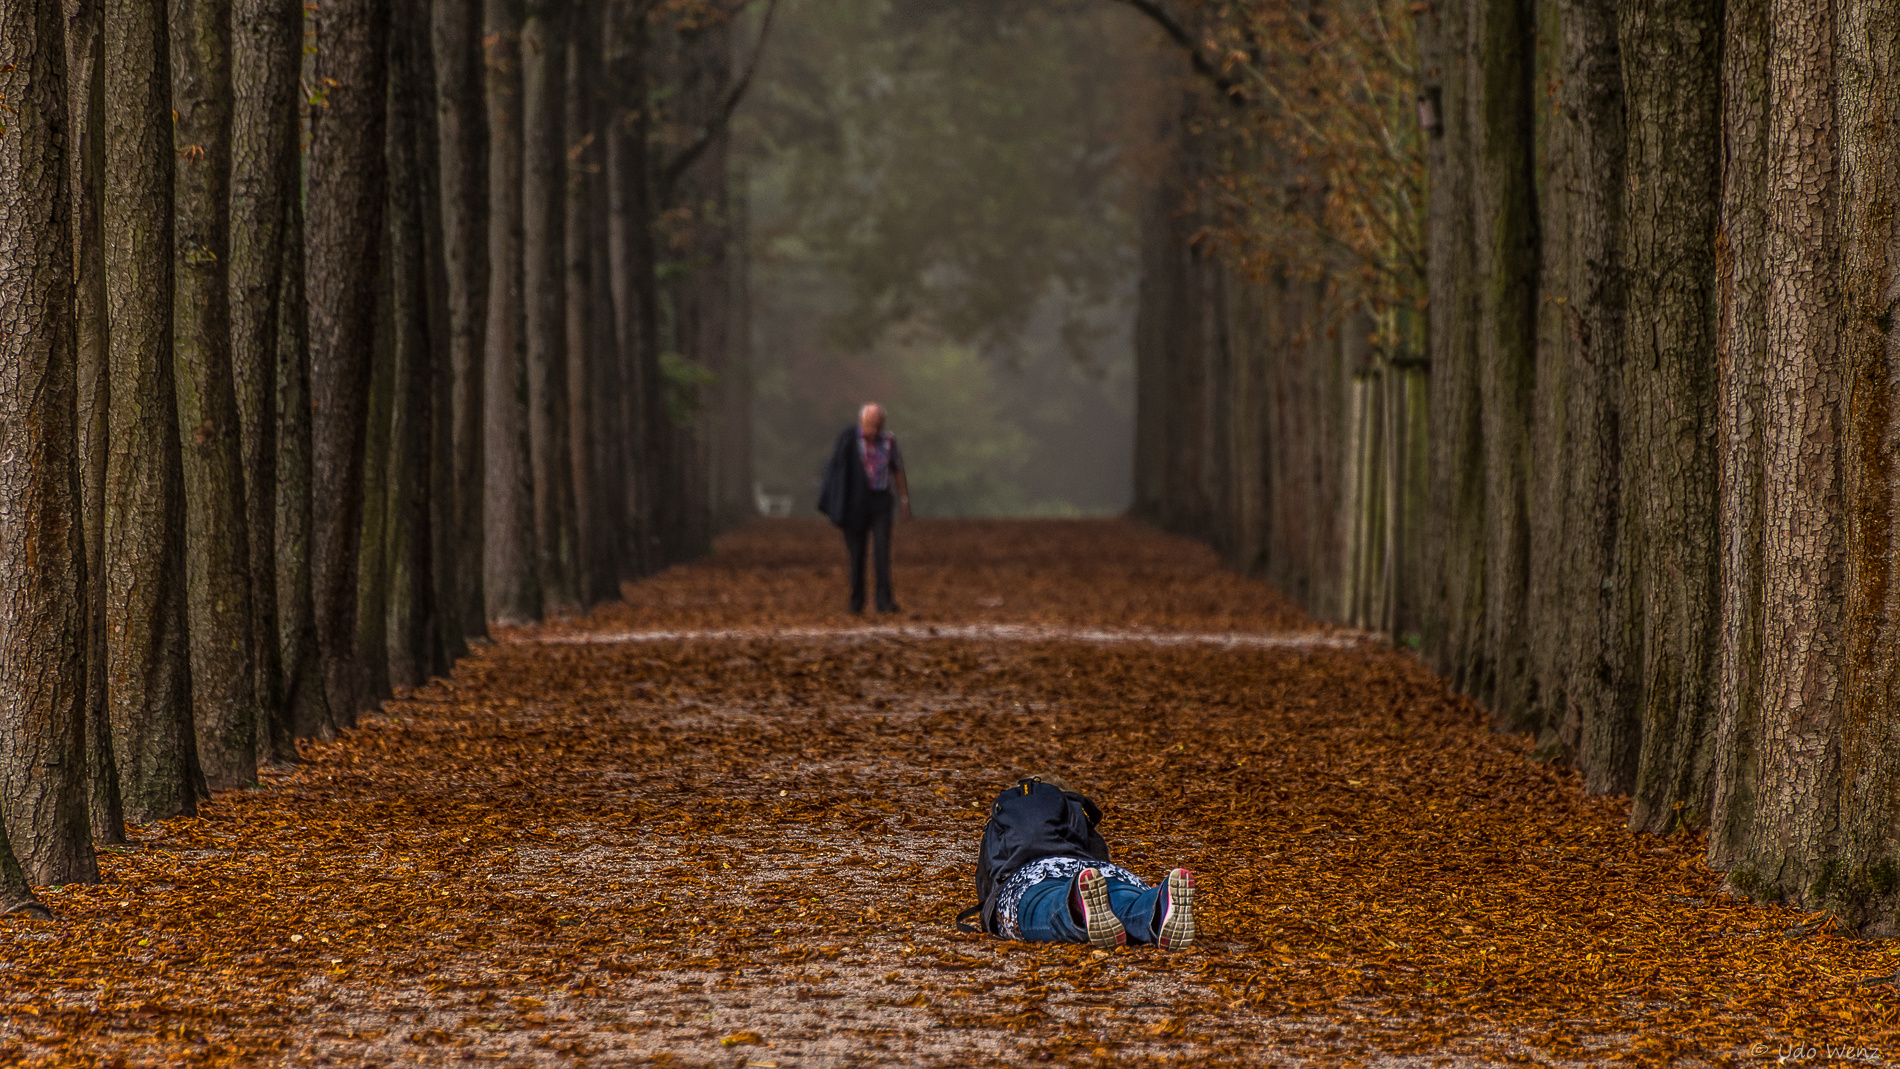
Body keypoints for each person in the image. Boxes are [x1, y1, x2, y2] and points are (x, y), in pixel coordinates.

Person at [961, 776, 1195, 950]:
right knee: (1124, 899)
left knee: (1046, 906)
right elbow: (1099, 854)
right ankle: (1157, 904)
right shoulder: (1075, 813)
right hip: (1098, 871)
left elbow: (987, 884)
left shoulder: (1006, 818)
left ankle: (1076, 906)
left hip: (1031, 878)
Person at [816, 402, 911, 614]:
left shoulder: (889, 441)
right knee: (856, 554)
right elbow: (835, 471)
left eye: (877, 426)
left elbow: (897, 469)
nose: (872, 431)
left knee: (881, 551)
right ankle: (856, 602)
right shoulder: (849, 440)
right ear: (861, 422)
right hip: (855, 502)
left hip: (881, 501)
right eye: (869, 425)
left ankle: (884, 601)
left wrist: (904, 500)